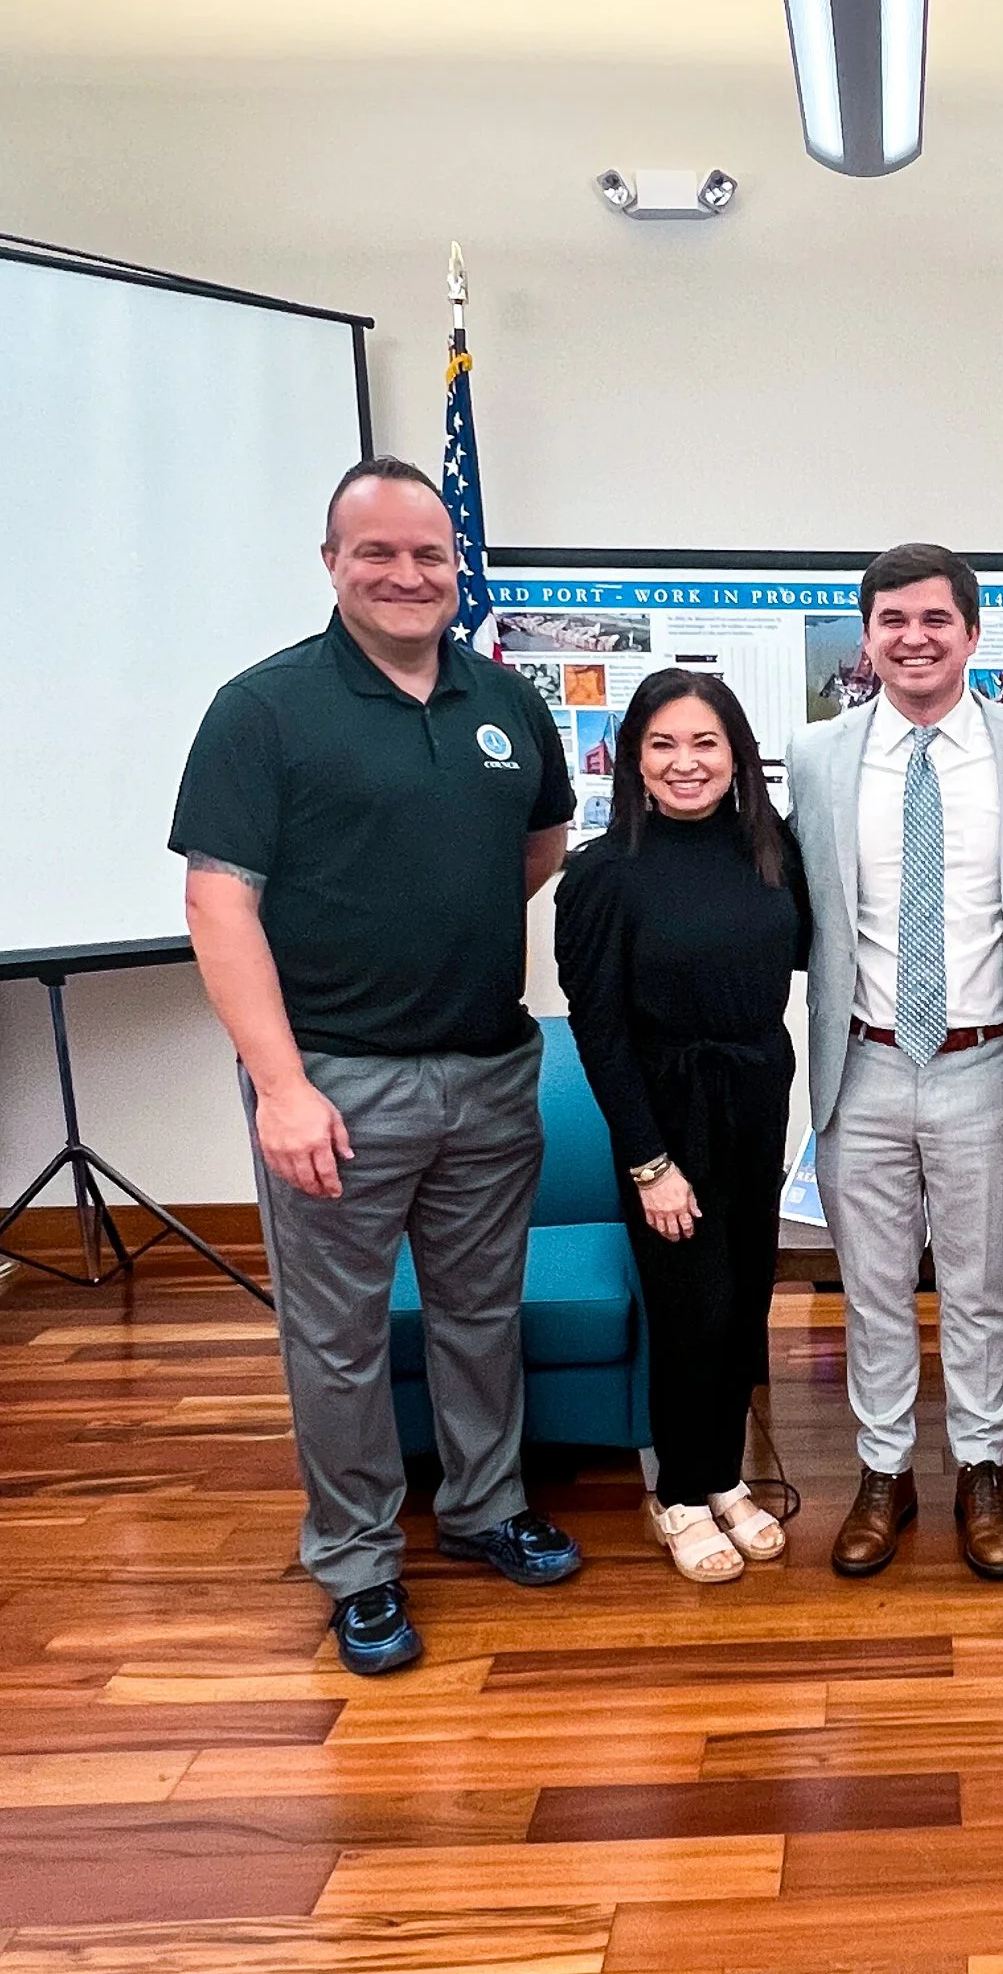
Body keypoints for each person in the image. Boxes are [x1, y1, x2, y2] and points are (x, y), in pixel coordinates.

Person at [170, 456, 583, 1678]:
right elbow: (217, 903)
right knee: (339, 1338)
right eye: (378, 553)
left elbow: (539, 843)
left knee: (479, 1314)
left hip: (490, 1071)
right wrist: (282, 1084)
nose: (407, 574)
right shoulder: (263, 708)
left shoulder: (504, 698)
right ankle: (356, 1561)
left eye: (428, 554)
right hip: (334, 1085)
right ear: (332, 563)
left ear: (458, 566)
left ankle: (483, 1505)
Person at [789, 543, 1003, 1581]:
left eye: (934, 619)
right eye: (892, 620)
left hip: (985, 1063)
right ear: (866, 638)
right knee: (870, 1289)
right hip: (860, 1062)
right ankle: (883, 1472)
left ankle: (982, 1468)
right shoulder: (817, 753)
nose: (913, 638)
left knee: (975, 1286)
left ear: (972, 632)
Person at [555, 670, 811, 1584]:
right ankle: (678, 1495)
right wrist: (648, 1163)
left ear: (738, 754)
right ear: (633, 758)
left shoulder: (771, 850)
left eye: (705, 742)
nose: (685, 762)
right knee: (689, 1311)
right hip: (666, 1116)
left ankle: (723, 1474)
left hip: (756, 1097)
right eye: (662, 744)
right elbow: (598, 1031)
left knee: (742, 1305)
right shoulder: (601, 873)